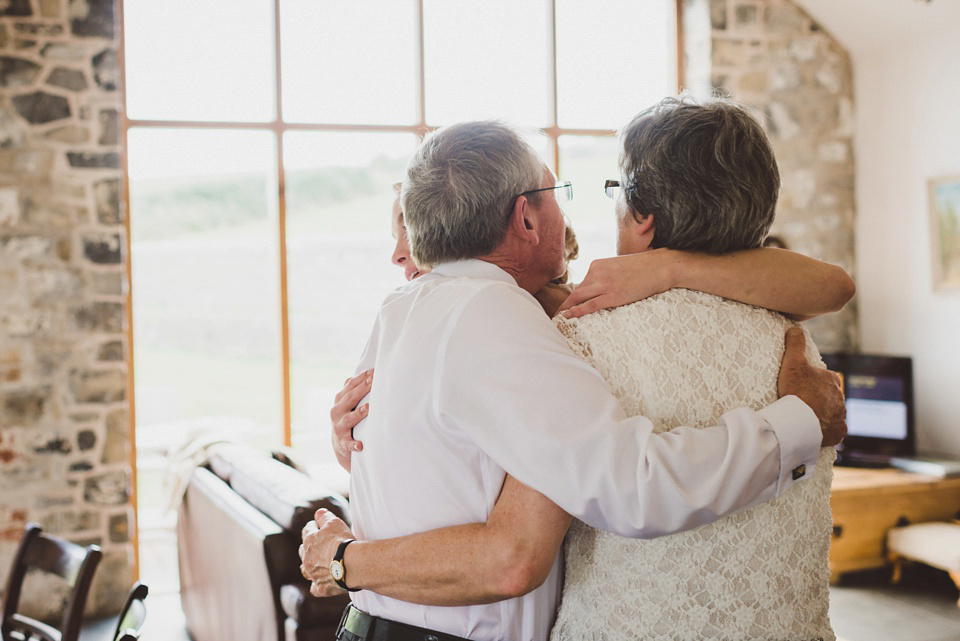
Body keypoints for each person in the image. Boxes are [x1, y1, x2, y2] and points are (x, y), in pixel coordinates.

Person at [304, 116, 847, 641]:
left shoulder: (405, 308)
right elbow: (625, 492)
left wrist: (672, 267)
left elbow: (426, 460)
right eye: (556, 191)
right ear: (526, 218)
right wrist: (800, 419)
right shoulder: (503, 319)